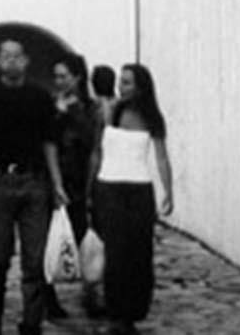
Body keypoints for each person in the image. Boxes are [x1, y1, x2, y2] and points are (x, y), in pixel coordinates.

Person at [0, 39, 69, 335]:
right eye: (5, 56)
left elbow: (49, 142)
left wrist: (57, 183)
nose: (11, 61)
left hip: (34, 183)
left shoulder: (39, 97)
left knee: (35, 261)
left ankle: (31, 323)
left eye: (17, 56)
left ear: (26, 61)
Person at [88, 63, 173, 335]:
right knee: (115, 253)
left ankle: (133, 311)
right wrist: (90, 187)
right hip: (109, 186)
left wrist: (168, 190)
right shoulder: (111, 112)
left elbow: (161, 157)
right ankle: (116, 314)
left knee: (138, 253)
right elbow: (97, 151)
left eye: (127, 82)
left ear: (140, 86)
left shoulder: (152, 118)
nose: (121, 88)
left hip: (138, 189)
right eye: (120, 82)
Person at [46, 53, 97, 319]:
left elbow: (92, 142)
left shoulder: (89, 108)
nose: (59, 81)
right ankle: (48, 296)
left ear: (77, 77)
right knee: (50, 237)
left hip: (80, 177)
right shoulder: (51, 106)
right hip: (55, 178)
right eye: (56, 77)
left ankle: (91, 290)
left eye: (64, 76)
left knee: (83, 236)